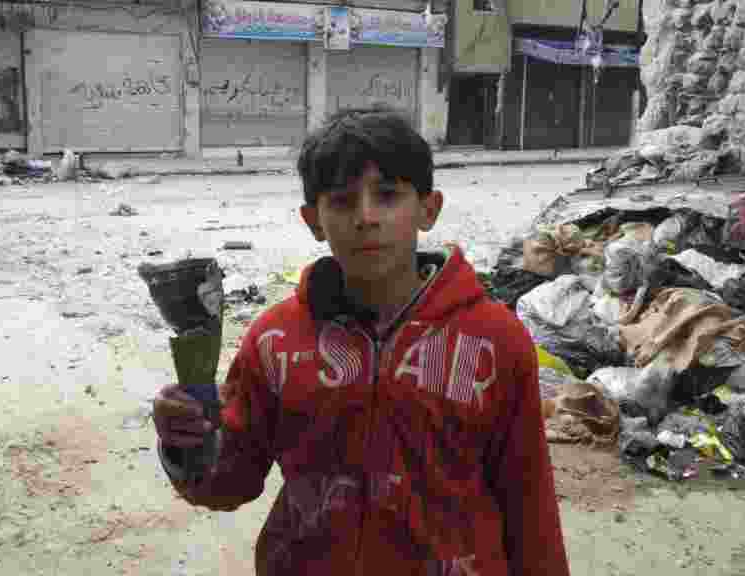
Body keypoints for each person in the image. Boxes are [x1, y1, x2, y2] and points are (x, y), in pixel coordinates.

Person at [153, 106, 570, 576]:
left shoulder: (497, 340)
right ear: (313, 220)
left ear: (428, 209)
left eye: (388, 195)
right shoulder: (275, 339)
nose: (366, 217)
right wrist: (187, 441)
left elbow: (528, 502)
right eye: (342, 201)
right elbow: (231, 484)